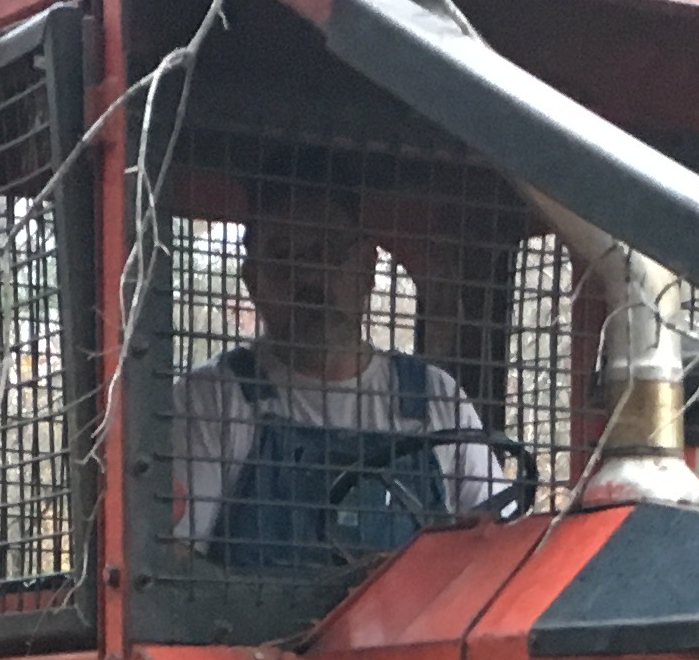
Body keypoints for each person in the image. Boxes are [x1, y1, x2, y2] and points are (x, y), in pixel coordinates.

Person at [174, 189, 502, 570]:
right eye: (283, 258)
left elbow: (495, 545)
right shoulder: (212, 400)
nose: (309, 277)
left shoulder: (435, 399)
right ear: (253, 281)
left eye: (327, 251)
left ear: (366, 268)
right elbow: (178, 561)